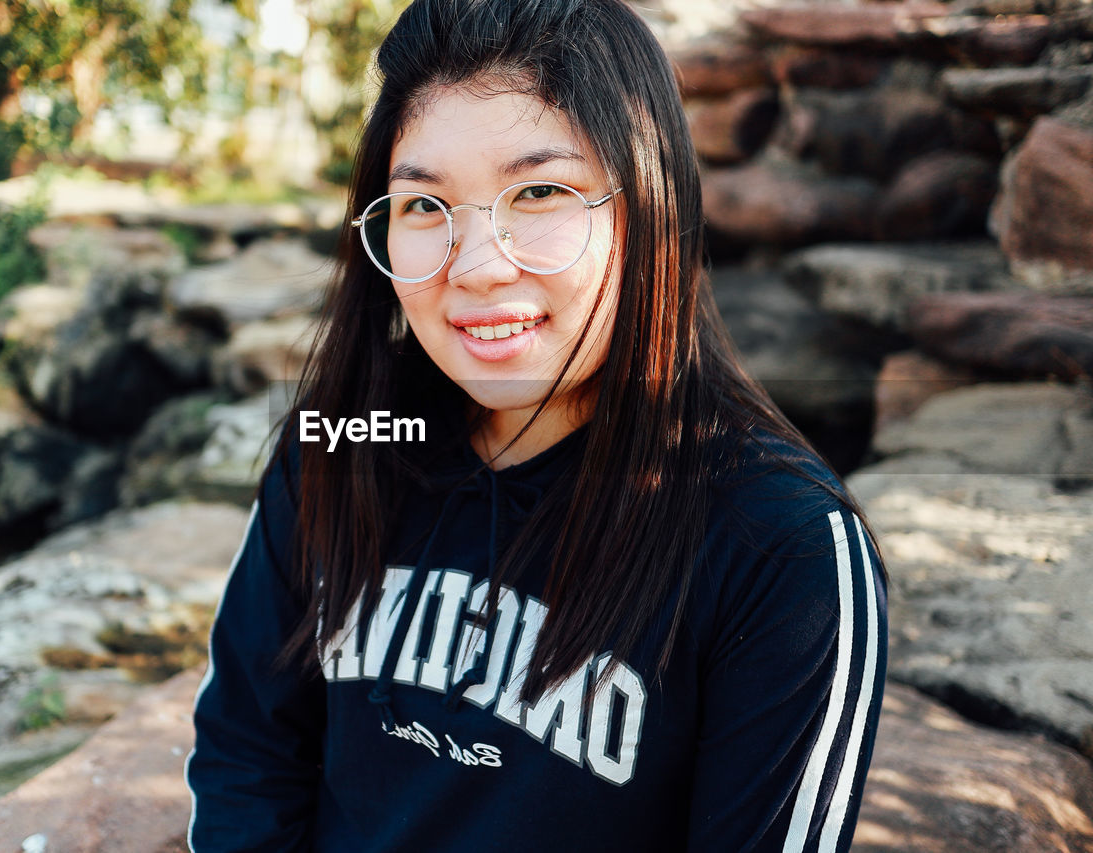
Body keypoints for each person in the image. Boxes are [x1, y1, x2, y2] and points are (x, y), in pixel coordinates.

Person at [185, 0, 888, 850]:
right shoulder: (343, 448)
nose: (477, 266)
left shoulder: (782, 546)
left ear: (652, 209)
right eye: (422, 205)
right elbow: (248, 758)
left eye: (541, 192)